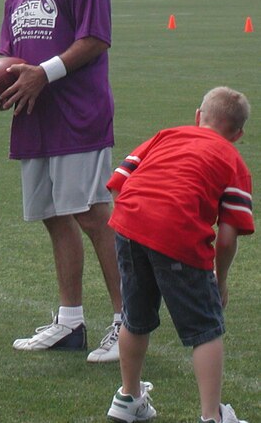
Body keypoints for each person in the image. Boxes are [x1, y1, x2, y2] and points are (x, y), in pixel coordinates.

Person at [0, 0, 122, 361]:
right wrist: (0, 89)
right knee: (52, 215)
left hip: (78, 115)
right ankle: (70, 322)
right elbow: (10, 57)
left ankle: (126, 322)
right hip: (35, 118)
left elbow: (95, 39)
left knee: (92, 213)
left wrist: (43, 74)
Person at [106, 87, 254, 423]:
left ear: (198, 116)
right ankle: (211, 416)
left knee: (135, 317)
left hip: (128, 223)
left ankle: (128, 398)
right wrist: (222, 280)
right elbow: (228, 238)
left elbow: (117, 183)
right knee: (206, 328)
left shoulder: (166, 136)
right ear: (239, 134)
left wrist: (140, 223)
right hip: (178, 232)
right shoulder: (233, 161)